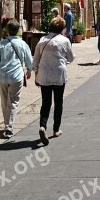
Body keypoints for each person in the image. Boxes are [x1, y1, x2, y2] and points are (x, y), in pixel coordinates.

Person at [0, 19, 32, 139]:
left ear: (7, 30)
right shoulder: (22, 44)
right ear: (18, 30)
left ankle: (7, 125)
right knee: (13, 102)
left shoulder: (0, 44)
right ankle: (9, 128)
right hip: (16, 76)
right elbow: (29, 59)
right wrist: (29, 70)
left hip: (1, 77)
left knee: (4, 101)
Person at [33, 17, 75, 145]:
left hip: (44, 74)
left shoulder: (42, 40)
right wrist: (63, 60)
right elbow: (71, 58)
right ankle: (56, 129)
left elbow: (35, 60)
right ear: (62, 28)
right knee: (58, 102)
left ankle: (42, 126)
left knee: (45, 103)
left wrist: (36, 73)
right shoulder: (65, 41)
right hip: (58, 74)